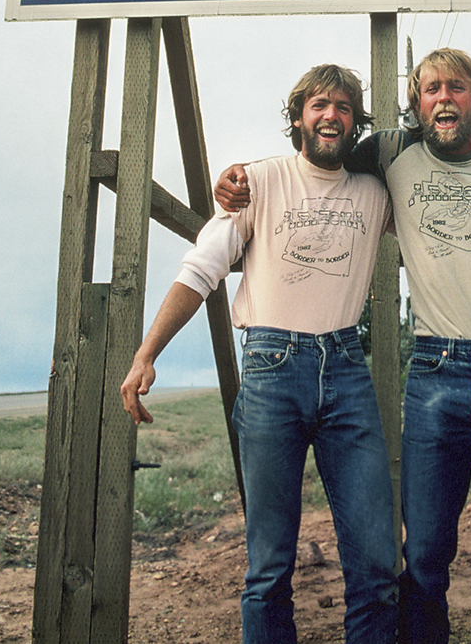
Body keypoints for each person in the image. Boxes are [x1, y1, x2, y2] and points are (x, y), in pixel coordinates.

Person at [215, 48, 471, 644]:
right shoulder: (392, 153)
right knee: (424, 556)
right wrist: (234, 178)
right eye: (430, 88)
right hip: (437, 375)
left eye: (456, 88)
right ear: (416, 104)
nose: (443, 97)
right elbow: (319, 150)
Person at [121, 65, 399, 644]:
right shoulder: (260, 181)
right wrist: (147, 352)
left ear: (355, 123)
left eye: (345, 107)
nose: (331, 115)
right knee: (269, 567)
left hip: (346, 367)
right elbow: (203, 268)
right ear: (298, 116)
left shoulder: (375, 193)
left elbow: (434, 174)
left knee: (376, 562)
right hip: (273, 369)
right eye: (320, 104)